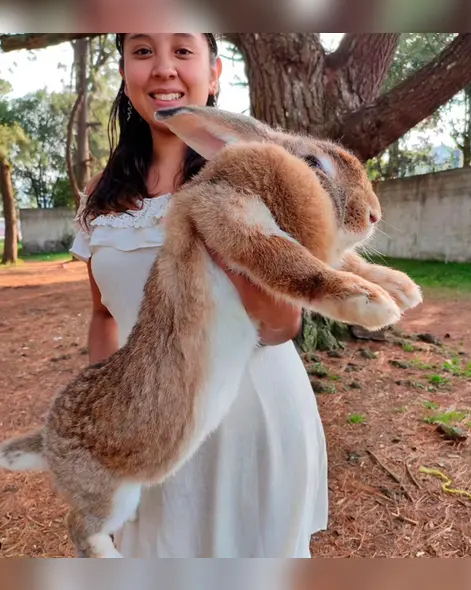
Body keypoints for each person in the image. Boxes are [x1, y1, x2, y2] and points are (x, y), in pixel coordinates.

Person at [69, 32, 328, 557]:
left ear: (214, 75)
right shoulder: (101, 195)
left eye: (182, 51)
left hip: (249, 418)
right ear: (124, 71)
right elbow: (103, 315)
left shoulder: (255, 177)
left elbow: (282, 327)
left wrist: (214, 224)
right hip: (149, 427)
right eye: (143, 51)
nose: (163, 68)